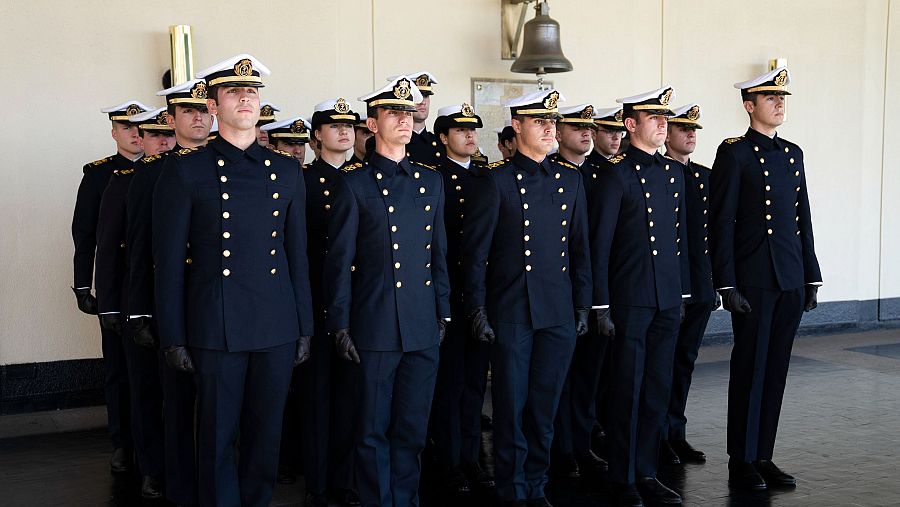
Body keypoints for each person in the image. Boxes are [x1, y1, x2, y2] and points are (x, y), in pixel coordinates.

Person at [152, 54, 314, 506]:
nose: (246, 98)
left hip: (276, 325)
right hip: (215, 325)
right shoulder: (186, 170)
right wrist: (173, 335)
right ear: (212, 105)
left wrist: (303, 326)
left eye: (253, 91)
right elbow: (166, 262)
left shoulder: (285, 170)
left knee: (266, 439)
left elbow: (295, 255)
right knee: (218, 439)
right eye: (234, 92)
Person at [325, 75, 450, 507]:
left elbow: (438, 254)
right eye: (392, 112)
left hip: (420, 324)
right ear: (372, 123)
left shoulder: (430, 181)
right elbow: (338, 263)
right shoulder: (354, 183)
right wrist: (339, 322)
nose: (402, 119)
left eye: (406, 111)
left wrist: (443, 312)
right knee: (372, 430)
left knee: (412, 429)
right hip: (375, 324)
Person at [463, 89, 591, 507]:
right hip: (513, 311)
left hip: (556, 312)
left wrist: (582, 306)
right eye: (539, 121)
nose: (549, 127)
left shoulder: (570, 179)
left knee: (544, 409)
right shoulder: (495, 180)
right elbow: (475, 254)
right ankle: (512, 490)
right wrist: (477, 309)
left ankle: (536, 486)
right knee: (511, 409)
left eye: (552, 121)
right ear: (517, 126)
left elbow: (579, 251)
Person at [710, 67, 822, 491]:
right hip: (754, 278)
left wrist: (811, 275)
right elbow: (720, 223)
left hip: (789, 276)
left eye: (782, 98)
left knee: (775, 371)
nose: (779, 103)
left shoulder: (793, 153)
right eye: (769, 98)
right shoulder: (734, 153)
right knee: (750, 370)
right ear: (748, 105)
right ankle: (740, 459)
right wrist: (726, 284)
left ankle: (764, 455)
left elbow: (802, 219)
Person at [592, 86, 690, 506]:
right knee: (627, 390)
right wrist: (600, 304)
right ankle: (623, 475)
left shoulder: (673, 173)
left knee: (656, 388)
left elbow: (680, 239)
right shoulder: (616, 173)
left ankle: (647, 471)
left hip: (667, 298)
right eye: (654, 118)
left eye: (665, 118)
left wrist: (683, 294)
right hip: (630, 298)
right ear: (631, 125)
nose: (663, 124)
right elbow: (600, 245)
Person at [125, 78, 213, 505]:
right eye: (188, 112)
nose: (198, 118)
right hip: (173, 305)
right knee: (174, 401)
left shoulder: (229, 165)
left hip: (217, 304)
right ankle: (170, 477)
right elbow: (142, 250)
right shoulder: (154, 173)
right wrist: (140, 310)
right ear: (171, 119)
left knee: (219, 405)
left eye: (203, 110)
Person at [95, 106, 174, 499]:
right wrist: (110, 304)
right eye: (154, 135)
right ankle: (150, 467)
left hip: (179, 299)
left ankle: (177, 463)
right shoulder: (125, 181)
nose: (163, 141)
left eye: (166, 134)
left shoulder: (187, 175)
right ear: (141, 138)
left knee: (179, 390)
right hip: (138, 297)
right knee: (142, 386)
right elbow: (109, 247)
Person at [72, 99, 150, 474]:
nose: (135, 135)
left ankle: (154, 443)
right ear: (114, 132)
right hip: (116, 286)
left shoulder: (166, 169)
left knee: (151, 371)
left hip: (149, 285)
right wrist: (81, 285)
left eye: (141, 128)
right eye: (127, 128)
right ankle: (122, 442)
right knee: (118, 368)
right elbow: (85, 236)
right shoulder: (100, 175)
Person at [297, 97, 363, 507]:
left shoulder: (366, 177)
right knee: (317, 397)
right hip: (318, 299)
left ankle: (348, 478)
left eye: (350, 125)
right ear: (316, 135)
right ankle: (317, 483)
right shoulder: (302, 180)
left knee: (354, 397)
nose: (344, 131)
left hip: (358, 304)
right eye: (333, 125)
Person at [429, 102, 495, 496]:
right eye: (460, 131)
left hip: (481, 295)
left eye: (473, 130)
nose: (470, 136)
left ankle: (472, 457)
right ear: (443, 137)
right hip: (451, 292)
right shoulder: (435, 179)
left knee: (475, 384)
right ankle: (449, 461)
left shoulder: (488, 178)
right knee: (450, 384)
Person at [549, 103, 610, 480]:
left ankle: (582, 444)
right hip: (560, 290)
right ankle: (560, 448)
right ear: (558, 133)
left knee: (589, 374)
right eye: (577, 127)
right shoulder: (551, 172)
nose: (587, 133)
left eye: (590, 127)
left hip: (598, 291)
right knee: (559, 377)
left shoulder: (605, 173)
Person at [659, 103, 718, 467]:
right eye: (683, 128)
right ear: (667, 133)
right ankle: (656, 435)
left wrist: (713, 285)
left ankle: (676, 431)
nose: (691, 134)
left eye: (694, 129)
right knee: (660, 363)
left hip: (698, 284)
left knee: (684, 361)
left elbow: (711, 235)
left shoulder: (704, 176)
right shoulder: (657, 173)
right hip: (666, 285)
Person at [393, 71, 443, 166]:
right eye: (417, 95)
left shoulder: (440, 143)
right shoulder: (392, 142)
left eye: (426, 96)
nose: (422, 101)